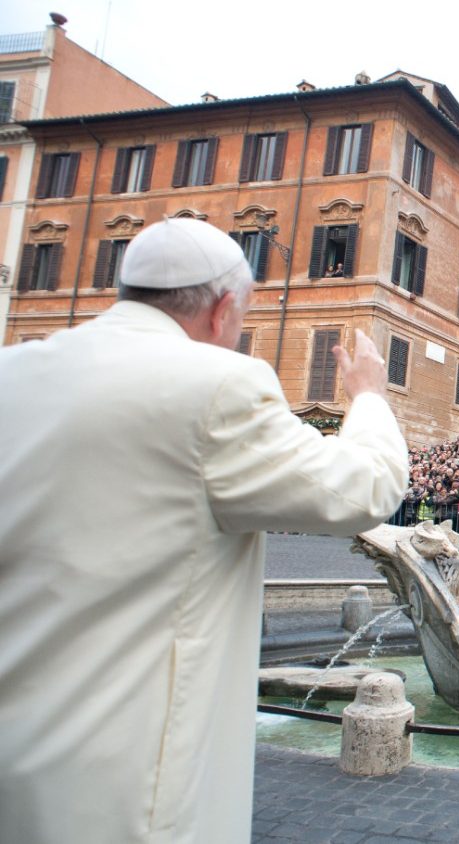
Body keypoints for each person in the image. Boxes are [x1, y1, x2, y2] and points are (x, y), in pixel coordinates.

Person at [0, 219, 409, 843]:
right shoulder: (218, 387)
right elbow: (365, 487)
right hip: (129, 786)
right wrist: (369, 397)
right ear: (223, 312)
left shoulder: (15, 371)